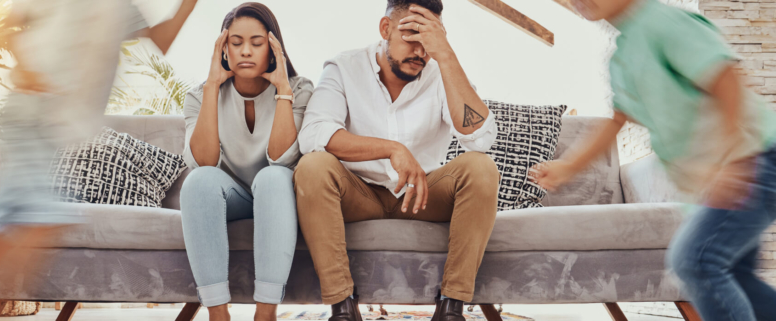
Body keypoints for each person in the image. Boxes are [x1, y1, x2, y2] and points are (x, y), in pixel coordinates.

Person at [0, 1, 197, 320]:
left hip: (55, 127)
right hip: (34, 114)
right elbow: (8, 26)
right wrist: (26, 68)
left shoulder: (118, 7)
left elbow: (161, 39)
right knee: (21, 218)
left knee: (32, 222)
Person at [534, 1, 776, 320]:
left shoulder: (663, 22)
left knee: (695, 261)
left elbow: (726, 79)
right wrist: (569, 165)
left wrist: (730, 160)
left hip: (750, 159)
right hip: (721, 178)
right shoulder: (622, 55)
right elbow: (616, 121)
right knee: (735, 275)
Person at [294, 0, 500, 320]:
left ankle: (451, 307)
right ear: (385, 29)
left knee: (481, 168)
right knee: (312, 167)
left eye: (429, 40)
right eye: (412, 36)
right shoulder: (344, 67)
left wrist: (445, 54)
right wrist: (392, 148)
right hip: (359, 193)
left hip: (423, 195)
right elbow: (314, 134)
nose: (421, 51)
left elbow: (482, 139)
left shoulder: (440, 70)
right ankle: (343, 308)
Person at [180, 3, 313, 321]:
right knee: (198, 180)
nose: (246, 51)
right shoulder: (198, 96)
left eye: (256, 42)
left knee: (273, 176)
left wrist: (282, 88)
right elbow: (203, 162)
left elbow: (283, 157)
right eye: (236, 42)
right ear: (223, 48)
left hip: (280, 196)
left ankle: (265, 313)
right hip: (233, 198)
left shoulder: (299, 89)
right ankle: (217, 313)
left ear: (273, 47)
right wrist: (212, 85)